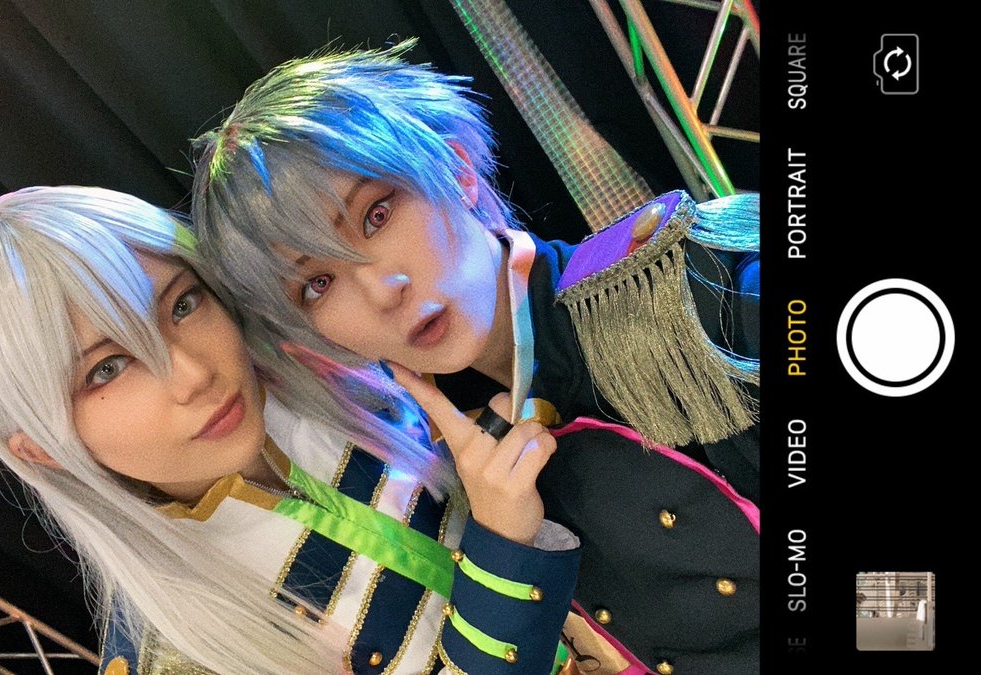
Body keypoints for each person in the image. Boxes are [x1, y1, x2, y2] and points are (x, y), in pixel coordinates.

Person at [191, 42, 760, 674]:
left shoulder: (697, 283)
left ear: (458, 169)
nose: (381, 289)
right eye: (317, 284)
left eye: (376, 215)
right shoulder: (455, 468)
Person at [0, 185, 601, 675]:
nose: (194, 374)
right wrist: (506, 550)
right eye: (107, 368)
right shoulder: (174, 655)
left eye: (182, 304)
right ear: (42, 448)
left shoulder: (334, 369)